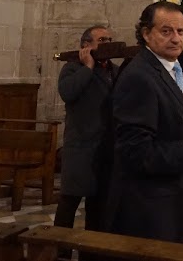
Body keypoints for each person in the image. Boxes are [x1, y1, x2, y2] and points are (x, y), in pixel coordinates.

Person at [104, 2, 183, 243]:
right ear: (146, 33)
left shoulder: (172, 69)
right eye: (166, 31)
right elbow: (136, 152)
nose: (175, 38)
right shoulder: (139, 76)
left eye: (181, 31)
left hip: (170, 204)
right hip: (147, 210)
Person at [54, 25, 117, 260]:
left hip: (105, 149)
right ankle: (60, 251)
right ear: (86, 46)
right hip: (80, 148)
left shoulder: (115, 70)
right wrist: (88, 68)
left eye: (110, 38)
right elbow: (68, 92)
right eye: (102, 39)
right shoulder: (72, 69)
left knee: (97, 206)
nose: (108, 42)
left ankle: (90, 253)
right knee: (69, 203)